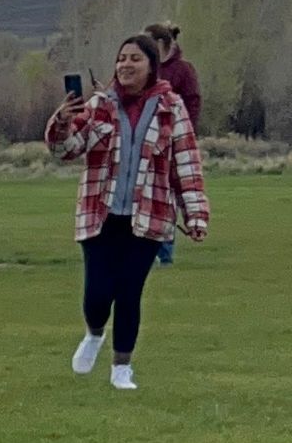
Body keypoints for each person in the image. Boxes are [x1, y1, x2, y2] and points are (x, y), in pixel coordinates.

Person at [45, 34, 209, 395]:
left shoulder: (172, 107)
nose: (126, 65)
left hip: (149, 215)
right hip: (100, 213)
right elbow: (68, 149)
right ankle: (93, 333)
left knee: (130, 291)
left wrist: (195, 214)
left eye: (135, 58)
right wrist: (61, 122)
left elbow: (186, 162)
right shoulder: (100, 104)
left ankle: (122, 367)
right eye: (121, 58)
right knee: (98, 293)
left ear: (151, 66)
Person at [147, 18, 203, 135]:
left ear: (159, 44)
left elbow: (192, 104)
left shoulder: (183, 69)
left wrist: (186, 133)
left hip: (173, 133)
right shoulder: (145, 67)